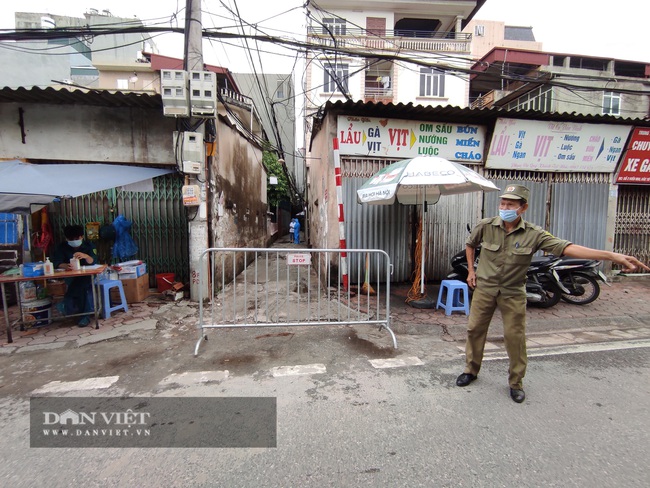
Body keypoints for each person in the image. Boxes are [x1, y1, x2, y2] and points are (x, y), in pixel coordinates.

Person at [455, 183, 649, 403]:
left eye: (510, 204)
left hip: (513, 292)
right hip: (485, 289)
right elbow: (470, 245)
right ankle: (471, 370)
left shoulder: (534, 234)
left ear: (523, 208)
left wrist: (611, 256)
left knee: (514, 337)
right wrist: (471, 270)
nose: (504, 207)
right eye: (503, 202)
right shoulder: (486, 225)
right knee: (474, 329)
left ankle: (515, 382)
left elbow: (567, 247)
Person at [52, 224, 98, 327]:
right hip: (70, 276)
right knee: (81, 287)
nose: (73, 240)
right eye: (70, 239)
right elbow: (56, 262)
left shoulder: (89, 245)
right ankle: (84, 316)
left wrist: (85, 256)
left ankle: (68, 302)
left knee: (82, 284)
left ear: (81, 237)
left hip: (87, 275)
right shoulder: (62, 247)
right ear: (66, 238)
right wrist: (65, 266)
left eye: (76, 238)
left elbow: (94, 261)